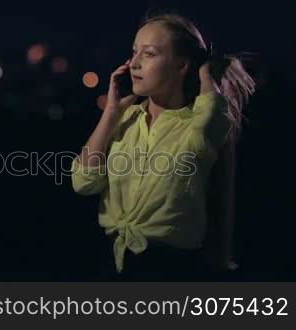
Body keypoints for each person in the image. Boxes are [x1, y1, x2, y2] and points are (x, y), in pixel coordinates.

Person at [70, 13, 256, 281]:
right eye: (134, 53)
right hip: (109, 263)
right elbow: (82, 183)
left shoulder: (196, 128)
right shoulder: (124, 120)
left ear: (182, 65)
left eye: (149, 54)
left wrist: (205, 72)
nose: (133, 64)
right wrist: (110, 114)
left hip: (169, 271)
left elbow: (212, 111)